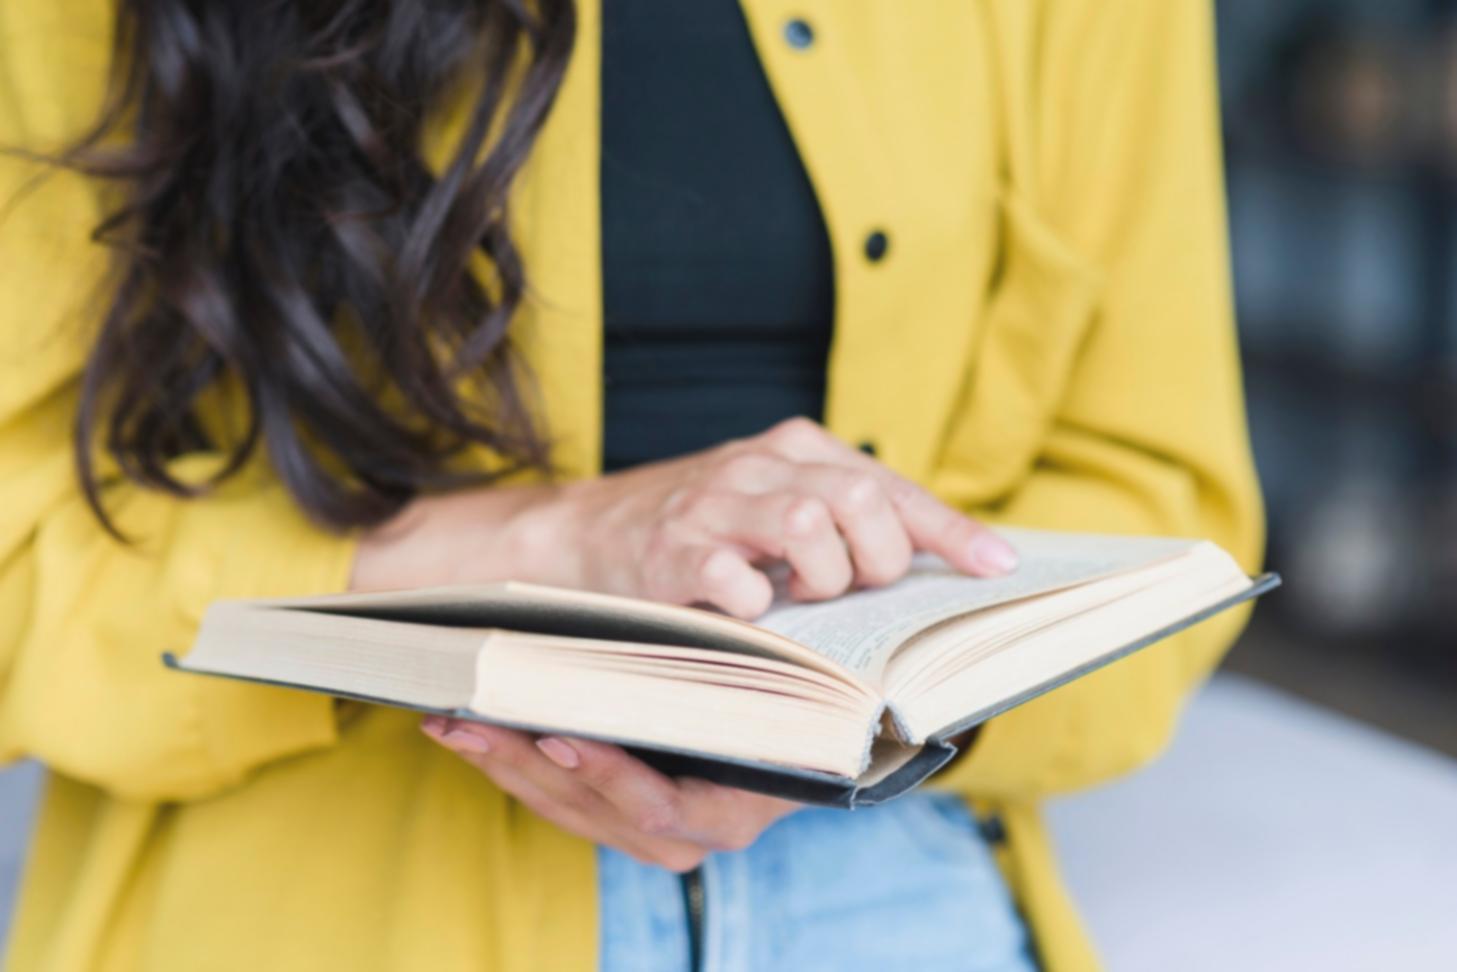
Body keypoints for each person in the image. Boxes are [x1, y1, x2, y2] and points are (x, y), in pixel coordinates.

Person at [0, 1, 1262, 970]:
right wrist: (551, 541)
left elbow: (1159, 498)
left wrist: (867, 716)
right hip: (305, 904)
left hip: (893, 888)